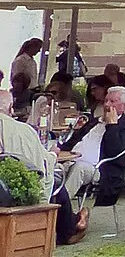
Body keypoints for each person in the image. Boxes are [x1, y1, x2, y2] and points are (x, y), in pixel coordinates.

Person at [0, 88, 86, 244]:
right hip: (16, 194)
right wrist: (53, 154)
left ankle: (72, 223)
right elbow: (42, 165)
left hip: (9, 189)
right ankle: (68, 230)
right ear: (10, 108)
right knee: (56, 181)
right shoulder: (23, 131)